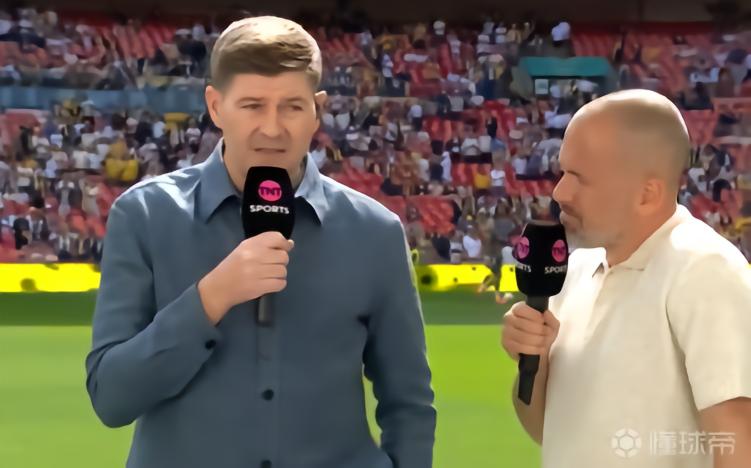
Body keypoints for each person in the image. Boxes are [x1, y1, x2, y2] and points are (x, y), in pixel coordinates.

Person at [85, 16, 435, 468]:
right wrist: (211, 298)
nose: (272, 129)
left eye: (291, 107)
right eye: (252, 105)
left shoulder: (375, 232)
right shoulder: (145, 215)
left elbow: (409, 402)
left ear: (317, 109)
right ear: (215, 106)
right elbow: (111, 398)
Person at [501, 89, 751, 468]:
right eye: (563, 173)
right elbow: (548, 431)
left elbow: (737, 440)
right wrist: (535, 359)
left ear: (647, 194)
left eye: (580, 178)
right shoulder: (577, 269)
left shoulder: (703, 270)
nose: (559, 192)